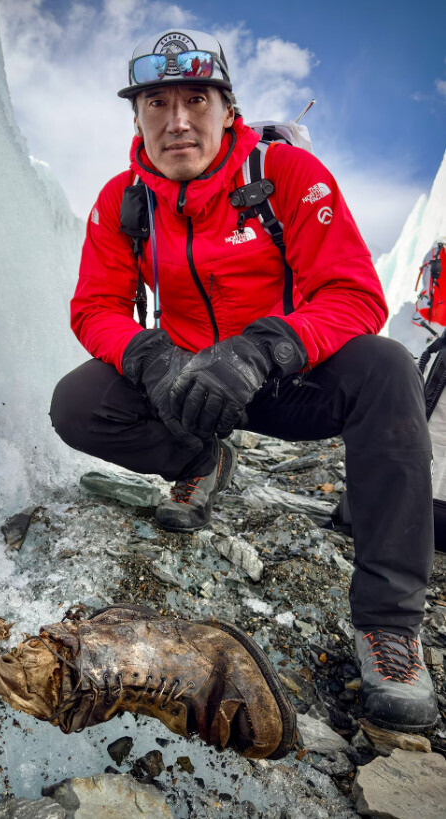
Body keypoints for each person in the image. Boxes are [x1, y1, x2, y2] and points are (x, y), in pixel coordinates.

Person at [50, 29, 438, 733]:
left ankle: (389, 626)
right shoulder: (123, 202)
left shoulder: (285, 174)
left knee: (386, 369)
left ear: (228, 109)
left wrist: (267, 346)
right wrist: (150, 357)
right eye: (156, 104)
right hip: (190, 389)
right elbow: (95, 307)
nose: (176, 121)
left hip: (288, 380)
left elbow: (353, 294)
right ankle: (201, 461)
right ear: (134, 119)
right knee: (77, 403)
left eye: (195, 100)